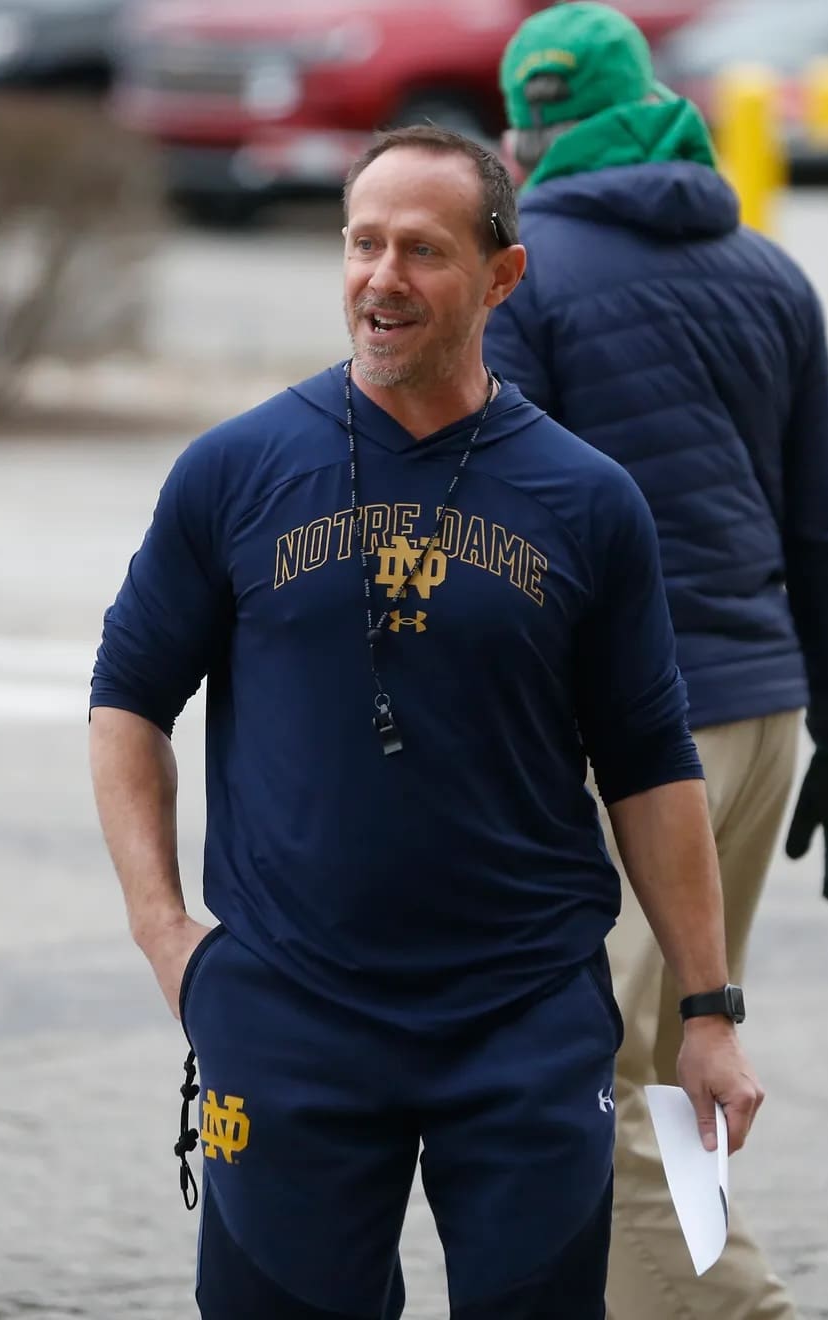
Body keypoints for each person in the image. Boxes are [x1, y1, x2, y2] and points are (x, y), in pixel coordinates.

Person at [89, 123, 763, 1320]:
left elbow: (650, 766)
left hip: (521, 1024)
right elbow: (129, 698)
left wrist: (704, 1013)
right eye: (361, 244)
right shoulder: (234, 470)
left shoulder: (586, 500)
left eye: (421, 250)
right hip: (289, 1017)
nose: (381, 278)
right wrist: (163, 933)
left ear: (501, 274)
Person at [485, 6, 828, 1320]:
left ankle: (739, 1311)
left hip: (627, 746)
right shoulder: (769, 270)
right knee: (670, 1065)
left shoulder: (521, 273)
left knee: (585, 1081)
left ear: (521, 134)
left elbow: (504, 542)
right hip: (762, 724)